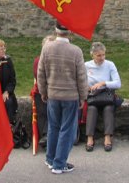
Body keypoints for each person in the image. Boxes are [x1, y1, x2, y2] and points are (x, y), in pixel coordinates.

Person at [37, 22, 87, 175]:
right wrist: (83, 96)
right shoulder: (76, 51)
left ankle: (50, 158)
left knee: (53, 127)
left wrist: (43, 91)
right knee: (66, 129)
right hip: (70, 96)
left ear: (55, 30)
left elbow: (41, 73)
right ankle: (59, 164)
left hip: (52, 94)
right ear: (70, 31)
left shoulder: (47, 48)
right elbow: (81, 77)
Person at [84, 42, 120, 152]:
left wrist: (104, 83)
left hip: (106, 95)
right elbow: (80, 82)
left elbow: (118, 83)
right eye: (98, 55)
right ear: (92, 55)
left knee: (108, 108)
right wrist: (88, 88)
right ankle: (90, 138)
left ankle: (107, 137)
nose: (102, 58)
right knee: (92, 109)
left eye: (103, 55)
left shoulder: (110, 64)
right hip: (93, 96)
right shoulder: (86, 65)